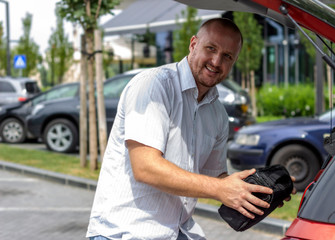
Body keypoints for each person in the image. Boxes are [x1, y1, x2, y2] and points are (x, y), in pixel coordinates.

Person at [87, 18, 288, 240]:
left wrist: (253, 192)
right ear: (193, 45)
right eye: (210, 48)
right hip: (125, 232)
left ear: (234, 62)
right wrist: (220, 188)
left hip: (178, 231)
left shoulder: (217, 113)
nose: (215, 61)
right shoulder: (154, 85)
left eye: (227, 56)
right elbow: (145, 167)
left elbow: (214, 179)